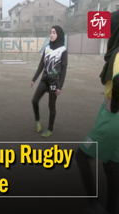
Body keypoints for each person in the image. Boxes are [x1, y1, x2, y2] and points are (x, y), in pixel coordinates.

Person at [76, 10, 119, 214]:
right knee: (112, 166)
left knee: (82, 156)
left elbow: (118, 80)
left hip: (113, 118)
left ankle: (93, 204)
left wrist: (117, 104)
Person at [30, 25, 68, 137]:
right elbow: (41, 65)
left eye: (54, 32)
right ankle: (38, 121)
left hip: (54, 82)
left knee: (51, 106)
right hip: (44, 80)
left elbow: (64, 69)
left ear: (59, 35)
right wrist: (34, 79)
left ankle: (50, 129)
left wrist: (60, 86)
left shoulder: (63, 50)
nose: (51, 34)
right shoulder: (46, 48)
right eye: (50, 32)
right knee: (34, 101)